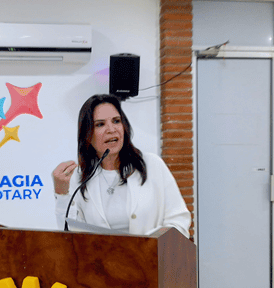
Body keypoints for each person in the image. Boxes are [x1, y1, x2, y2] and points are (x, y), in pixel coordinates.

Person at [53, 94, 191, 237]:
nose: (111, 129)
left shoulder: (152, 165)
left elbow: (179, 221)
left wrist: (147, 246)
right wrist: (62, 194)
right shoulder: (80, 176)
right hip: (101, 259)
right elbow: (70, 234)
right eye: (100, 124)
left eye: (116, 121)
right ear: (87, 135)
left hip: (150, 257)